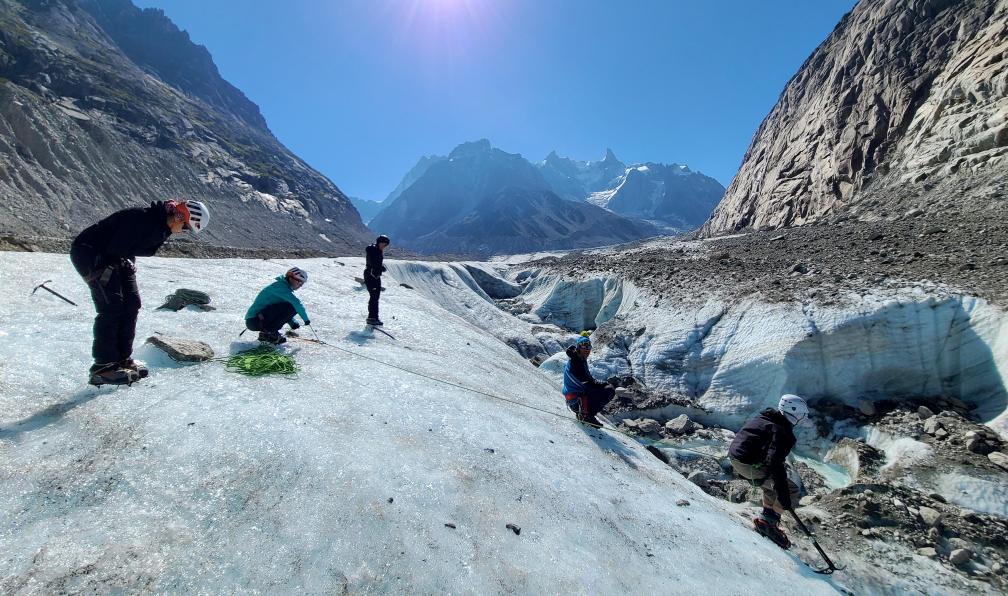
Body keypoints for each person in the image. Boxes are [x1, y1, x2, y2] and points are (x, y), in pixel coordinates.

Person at [70, 199, 209, 386]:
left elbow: (133, 248)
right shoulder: (143, 219)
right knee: (112, 308)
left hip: (117, 257)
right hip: (90, 254)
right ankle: (103, 367)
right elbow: (117, 246)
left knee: (132, 304)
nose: (184, 231)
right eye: (186, 227)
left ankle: (122, 360)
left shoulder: (161, 227)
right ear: (179, 216)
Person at [728, 394, 809, 549]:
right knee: (790, 490)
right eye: (801, 415)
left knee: (771, 486)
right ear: (794, 413)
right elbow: (775, 463)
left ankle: (766, 517)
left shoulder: (767, 418)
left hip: (736, 458)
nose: (802, 418)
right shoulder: (783, 432)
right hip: (748, 464)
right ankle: (770, 524)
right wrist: (784, 495)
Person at [245, 267, 311, 345]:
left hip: (256, 320)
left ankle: (268, 333)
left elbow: (281, 311)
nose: (300, 285)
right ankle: (269, 333)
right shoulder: (280, 287)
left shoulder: (282, 287)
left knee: (289, 306)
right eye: (299, 282)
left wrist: (292, 322)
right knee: (292, 306)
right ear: (291, 278)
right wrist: (306, 320)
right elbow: (297, 304)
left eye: (302, 283)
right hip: (254, 321)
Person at [562, 335, 616, 426]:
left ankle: (586, 414)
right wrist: (603, 385)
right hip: (576, 401)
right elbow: (588, 384)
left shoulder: (579, 359)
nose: (587, 349)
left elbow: (588, 380)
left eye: (588, 347)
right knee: (608, 391)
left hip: (574, 399)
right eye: (584, 347)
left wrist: (601, 384)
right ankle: (586, 416)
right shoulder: (576, 363)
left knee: (604, 389)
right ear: (578, 347)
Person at [364, 234, 390, 326]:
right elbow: (371, 261)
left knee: (375, 297)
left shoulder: (378, 251)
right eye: (383, 243)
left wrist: (381, 267)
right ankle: (372, 318)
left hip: (376, 276)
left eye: (386, 244)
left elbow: (375, 262)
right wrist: (380, 267)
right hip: (371, 276)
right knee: (374, 297)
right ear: (379, 242)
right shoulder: (373, 249)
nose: (384, 246)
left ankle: (374, 317)